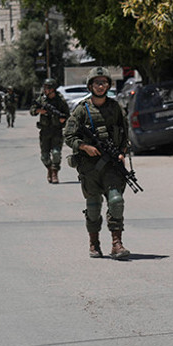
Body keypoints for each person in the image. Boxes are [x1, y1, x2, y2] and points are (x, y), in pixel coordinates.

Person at [63, 67, 131, 259]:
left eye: (104, 83)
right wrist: (85, 147)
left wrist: (122, 153)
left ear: (108, 85)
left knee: (116, 202)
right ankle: (94, 243)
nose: (101, 86)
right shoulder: (81, 109)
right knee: (93, 207)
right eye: (97, 83)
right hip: (90, 167)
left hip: (112, 165)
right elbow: (68, 135)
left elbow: (125, 134)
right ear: (90, 85)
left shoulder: (115, 107)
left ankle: (117, 244)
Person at [30, 78, 70, 184]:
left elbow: (67, 115)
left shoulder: (60, 100)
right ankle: (49, 169)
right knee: (44, 156)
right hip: (45, 131)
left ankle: (54, 173)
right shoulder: (42, 99)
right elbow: (32, 110)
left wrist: (63, 119)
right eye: (44, 87)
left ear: (53, 89)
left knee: (56, 153)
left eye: (47, 88)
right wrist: (39, 110)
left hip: (56, 130)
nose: (45, 90)